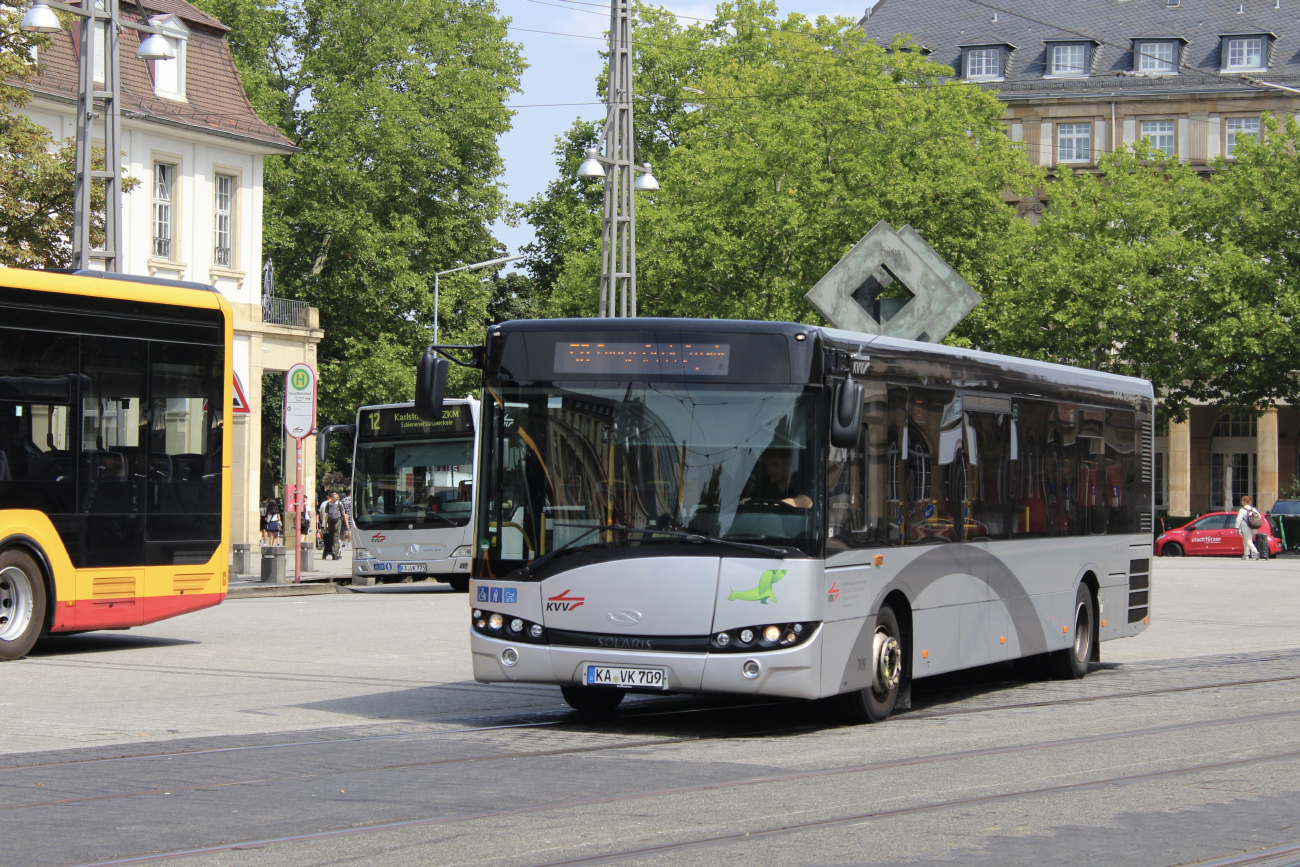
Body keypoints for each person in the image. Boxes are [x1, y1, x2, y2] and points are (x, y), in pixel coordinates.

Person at [740, 447, 813, 509]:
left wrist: (777, 504)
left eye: (775, 464)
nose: (770, 469)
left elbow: (807, 502)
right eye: (767, 465)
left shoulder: (798, 482)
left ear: (788, 463)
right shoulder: (766, 487)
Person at [320, 491, 346, 560]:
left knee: (336, 537)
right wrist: (325, 525)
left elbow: (343, 513)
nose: (337, 498)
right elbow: (327, 515)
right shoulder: (328, 504)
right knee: (330, 537)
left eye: (338, 497)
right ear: (332, 498)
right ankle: (333, 551)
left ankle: (335, 553)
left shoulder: (339, 504)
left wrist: (347, 523)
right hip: (330, 521)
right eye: (336, 497)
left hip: (337, 521)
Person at [1237, 495, 1261, 560]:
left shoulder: (1242, 510)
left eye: (1242, 501)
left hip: (1245, 526)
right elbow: (1259, 516)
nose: (1241, 502)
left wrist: (1237, 528)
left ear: (1245, 501)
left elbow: (1239, 519)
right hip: (1253, 527)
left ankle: (1255, 552)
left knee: (1248, 540)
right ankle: (1246, 555)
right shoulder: (1253, 509)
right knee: (1245, 541)